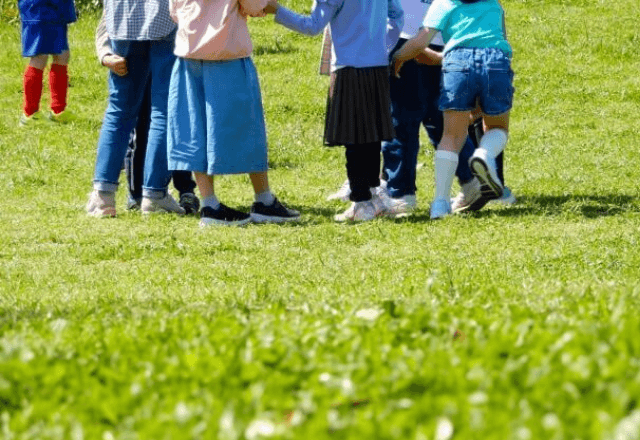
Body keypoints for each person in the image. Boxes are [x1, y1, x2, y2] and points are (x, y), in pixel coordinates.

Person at [266, 0, 404, 222]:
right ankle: (372, 194)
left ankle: (361, 202)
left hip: (349, 67)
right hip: (377, 65)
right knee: (371, 136)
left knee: (354, 140)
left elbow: (311, 25)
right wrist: (383, 44)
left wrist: (277, 10)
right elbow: (397, 14)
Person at [167, 0, 300, 226]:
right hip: (227, 54)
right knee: (248, 127)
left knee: (195, 130)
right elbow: (255, 4)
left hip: (189, 57)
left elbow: (174, 11)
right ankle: (264, 200)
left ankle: (209, 204)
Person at [393, 0, 514, 219]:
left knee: (451, 136)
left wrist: (399, 57)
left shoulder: (442, 4)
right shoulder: (494, 5)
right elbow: (498, 43)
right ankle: (485, 156)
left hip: (457, 65)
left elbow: (420, 43)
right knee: (496, 128)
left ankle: (439, 204)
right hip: (496, 63)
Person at [86, 0, 186, 218]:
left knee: (119, 111)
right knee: (164, 110)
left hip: (123, 19)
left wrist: (103, 48)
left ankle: (103, 198)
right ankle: (154, 195)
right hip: (166, 16)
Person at [18, 0, 76, 127]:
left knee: (62, 55)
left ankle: (58, 111)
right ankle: (30, 114)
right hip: (40, 10)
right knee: (39, 57)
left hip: (55, 11)